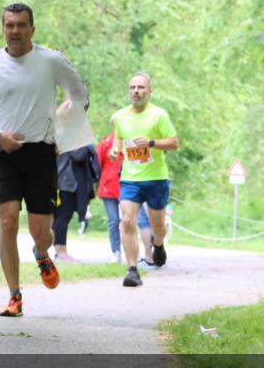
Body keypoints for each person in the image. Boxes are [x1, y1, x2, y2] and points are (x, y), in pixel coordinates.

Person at [0, 3, 88, 316]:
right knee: (7, 221)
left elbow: (79, 94)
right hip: (4, 152)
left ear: (32, 28)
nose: (15, 31)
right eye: (9, 25)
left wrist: (63, 129)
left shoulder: (50, 61)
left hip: (40, 153)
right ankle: (14, 295)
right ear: (3, 28)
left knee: (40, 231)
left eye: (21, 25)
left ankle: (41, 252)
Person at [109, 73, 179, 287]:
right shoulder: (120, 116)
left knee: (157, 226)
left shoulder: (159, 115)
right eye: (132, 87)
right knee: (127, 221)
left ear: (149, 92)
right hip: (130, 179)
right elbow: (119, 136)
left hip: (156, 178)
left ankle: (158, 244)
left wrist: (151, 142)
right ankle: (132, 270)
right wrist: (115, 149)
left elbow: (174, 143)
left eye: (140, 87)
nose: (136, 91)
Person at [52, 143, 100, 263]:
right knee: (63, 216)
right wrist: (88, 145)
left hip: (62, 180)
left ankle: (61, 252)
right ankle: (60, 252)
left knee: (61, 216)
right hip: (66, 182)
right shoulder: (68, 136)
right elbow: (79, 155)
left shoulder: (57, 133)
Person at [96, 127, 124, 264]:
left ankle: (132, 251)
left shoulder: (131, 142)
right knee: (113, 221)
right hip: (109, 187)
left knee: (129, 221)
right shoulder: (106, 144)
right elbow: (97, 164)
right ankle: (116, 251)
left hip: (127, 187)